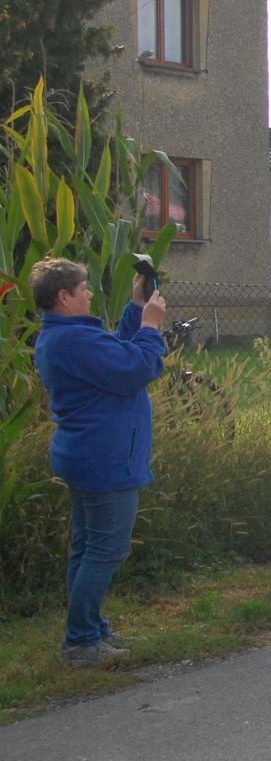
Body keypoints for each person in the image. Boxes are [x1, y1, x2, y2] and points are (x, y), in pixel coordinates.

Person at [30, 258, 167, 668]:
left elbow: (115, 356)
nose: (89, 294)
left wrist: (135, 309)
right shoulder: (75, 341)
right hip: (106, 458)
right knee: (107, 549)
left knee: (87, 548)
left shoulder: (68, 338)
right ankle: (81, 641)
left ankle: (89, 629)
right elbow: (137, 367)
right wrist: (151, 325)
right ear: (63, 296)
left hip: (86, 454)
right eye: (84, 288)